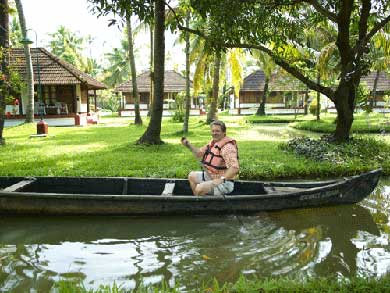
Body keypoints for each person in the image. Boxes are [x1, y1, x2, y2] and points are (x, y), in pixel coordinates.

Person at [181, 120, 239, 196]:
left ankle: (204, 204)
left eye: (217, 131)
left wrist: (221, 179)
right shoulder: (213, 143)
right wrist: (188, 145)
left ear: (224, 132)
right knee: (191, 176)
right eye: (213, 131)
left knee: (199, 188)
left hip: (225, 183)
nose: (214, 133)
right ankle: (198, 201)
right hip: (212, 176)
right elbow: (199, 153)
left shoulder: (227, 148)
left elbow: (234, 167)